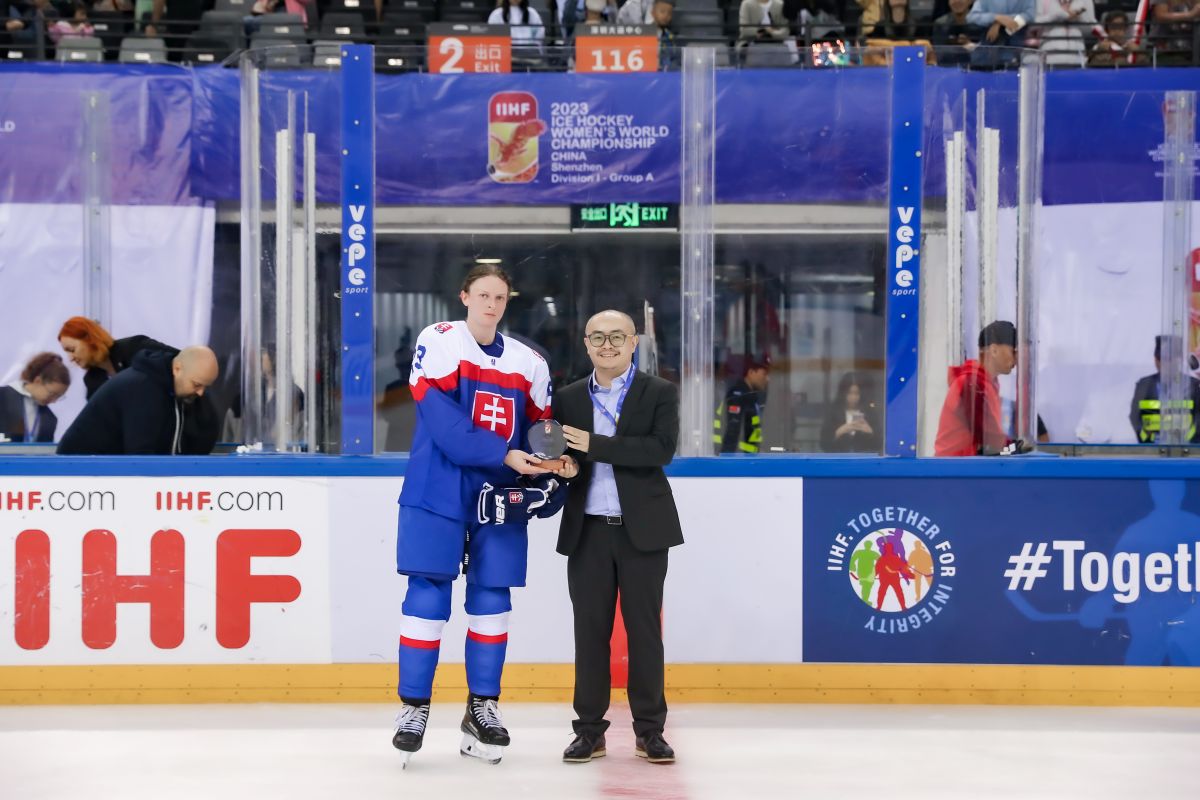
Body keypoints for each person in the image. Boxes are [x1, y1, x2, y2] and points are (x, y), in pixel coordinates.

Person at [390, 265, 566, 767]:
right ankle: (413, 708)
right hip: (438, 487)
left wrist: (550, 474)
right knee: (427, 593)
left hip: (501, 494)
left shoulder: (531, 362)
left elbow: (541, 430)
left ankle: (482, 707)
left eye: (500, 297)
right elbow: (443, 423)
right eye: (483, 294)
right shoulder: (439, 340)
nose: (491, 304)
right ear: (465, 296)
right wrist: (505, 455)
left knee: (492, 599)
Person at [553, 310, 683, 765]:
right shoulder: (568, 397)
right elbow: (568, 459)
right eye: (597, 337)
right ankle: (589, 731)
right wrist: (566, 467)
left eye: (616, 337)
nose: (606, 345)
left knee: (645, 633)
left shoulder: (659, 391)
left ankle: (650, 731)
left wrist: (596, 445)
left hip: (642, 531)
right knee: (590, 634)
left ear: (633, 343)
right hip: (587, 530)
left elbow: (659, 450)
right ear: (586, 344)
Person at [58, 316, 221, 454]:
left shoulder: (137, 351)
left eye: (71, 349)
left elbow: (184, 363)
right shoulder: (93, 379)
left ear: (90, 339)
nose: (70, 358)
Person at [934, 320, 1018, 456]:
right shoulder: (972, 384)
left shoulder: (986, 383)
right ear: (994, 350)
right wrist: (1015, 448)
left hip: (967, 463)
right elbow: (987, 435)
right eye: (1013, 351)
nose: (1016, 359)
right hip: (957, 466)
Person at [1129, 335, 1200, 444]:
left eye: (1171, 359)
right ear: (1156, 360)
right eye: (1162, 359)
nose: (1166, 363)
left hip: (1186, 448)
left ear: (1180, 360)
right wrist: (1148, 441)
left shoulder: (1193, 385)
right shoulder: (1144, 385)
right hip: (1152, 448)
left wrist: (1188, 441)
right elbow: (1135, 417)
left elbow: (1198, 419)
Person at [0, 352, 70, 443]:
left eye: (59, 397)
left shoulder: (50, 419)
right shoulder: (3, 396)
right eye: (52, 394)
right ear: (38, 381)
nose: (54, 401)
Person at [713, 355, 769, 454]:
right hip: (738, 459)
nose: (767, 379)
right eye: (764, 374)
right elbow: (732, 432)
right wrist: (729, 459)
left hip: (747, 458)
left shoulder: (750, 396)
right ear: (751, 372)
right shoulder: (738, 396)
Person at [819, 371, 881, 453]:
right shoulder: (833, 413)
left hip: (863, 459)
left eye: (857, 393)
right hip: (839, 458)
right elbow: (823, 445)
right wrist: (838, 432)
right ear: (843, 393)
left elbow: (879, 446)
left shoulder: (870, 413)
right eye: (849, 393)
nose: (853, 397)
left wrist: (870, 432)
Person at [1034, 0, 1098, 68]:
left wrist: (1080, 19)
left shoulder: (1086, 1)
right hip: (1050, 56)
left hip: (1077, 56)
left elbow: (1091, 30)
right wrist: (1053, 17)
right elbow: (1033, 26)